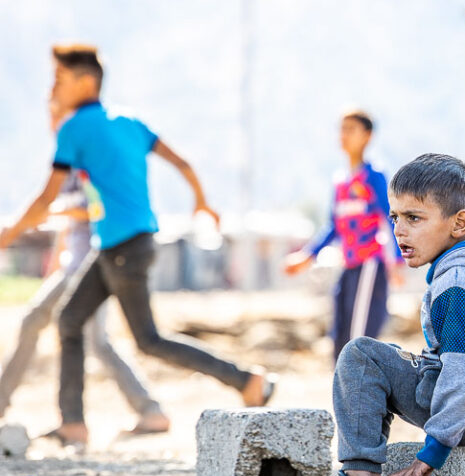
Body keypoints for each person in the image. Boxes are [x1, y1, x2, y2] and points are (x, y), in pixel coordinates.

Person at [0, 45, 274, 447]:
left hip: (123, 247)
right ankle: (73, 423)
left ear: (85, 81)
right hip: (121, 244)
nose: (53, 87)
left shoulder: (75, 127)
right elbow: (182, 163)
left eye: (59, 78)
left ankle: (246, 381)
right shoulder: (129, 121)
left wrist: (9, 235)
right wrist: (201, 200)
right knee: (70, 321)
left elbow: (45, 198)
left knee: (148, 340)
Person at [279, 153, 465, 476]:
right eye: (395, 217)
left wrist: (434, 450)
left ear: (459, 223)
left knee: (361, 355)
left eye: (414, 218)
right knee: (376, 359)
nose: (399, 231)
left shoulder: (463, 285)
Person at [0, 99, 169, 434]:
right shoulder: (68, 163)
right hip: (73, 264)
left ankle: (142, 412)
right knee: (65, 329)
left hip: (93, 262)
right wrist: (54, 263)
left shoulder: (86, 157)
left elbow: (95, 208)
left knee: (94, 338)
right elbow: (69, 227)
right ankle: (137, 413)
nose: (53, 120)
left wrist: (47, 212)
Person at [283, 110, 402, 362]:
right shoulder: (341, 181)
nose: (343, 135)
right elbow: (334, 226)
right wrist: (307, 255)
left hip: (370, 265)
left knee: (359, 340)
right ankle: (344, 396)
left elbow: (390, 217)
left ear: (367, 136)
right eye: (341, 129)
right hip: (348, 266)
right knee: (339, 336)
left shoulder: (373, 176)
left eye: (351, 129)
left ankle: (359, 397)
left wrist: (399, 261)